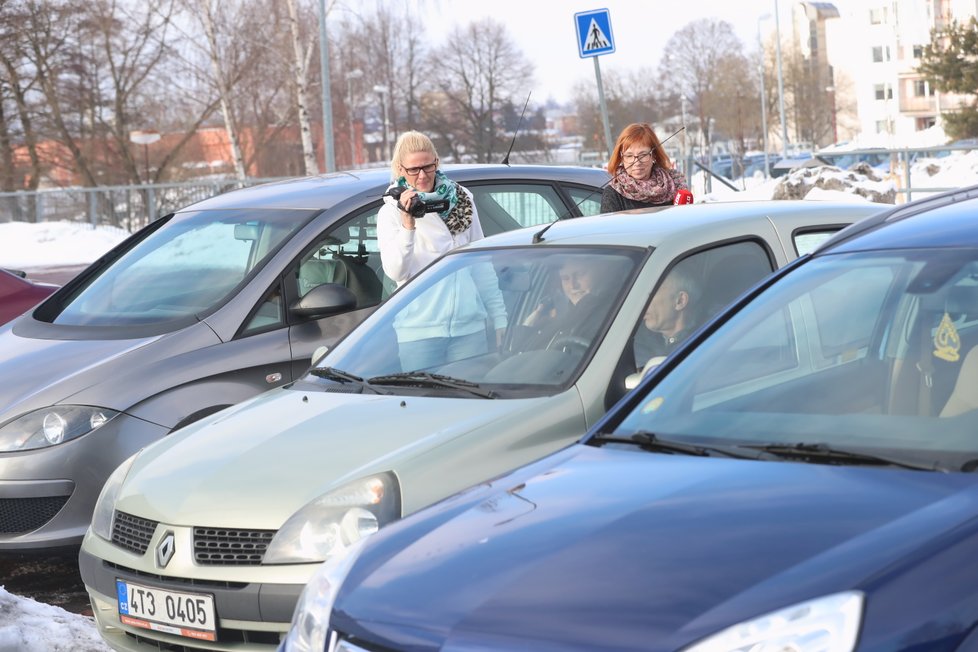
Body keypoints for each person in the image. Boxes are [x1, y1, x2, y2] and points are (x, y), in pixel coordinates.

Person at [377, 131, 506, 371]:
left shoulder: (462, 200)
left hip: (470, 327)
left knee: (470, 405)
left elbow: (480, 261)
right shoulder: (391, 212)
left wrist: (499, 316)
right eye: (414, 170)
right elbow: (396, 271)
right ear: (400, 169)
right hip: (419, 331)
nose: (423, 176)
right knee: (423, 405)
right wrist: (408, 224)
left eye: (428, 166)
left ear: (437, 162)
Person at [517, 256, 612, 351]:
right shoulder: (565, 319)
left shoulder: (611, 316)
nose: (572, 285)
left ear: (600, 272)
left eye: (580, 274)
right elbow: (520, 353)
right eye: (565, 278)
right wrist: (527, 327)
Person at [601, 123, 690, 213]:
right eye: (629, 156)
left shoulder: (674, 185)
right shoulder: (613, 194)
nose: (636, 162)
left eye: (643, 155)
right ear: (621, 158)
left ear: (654, 155)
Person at [634, 264, 702, 365]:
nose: (642, 302)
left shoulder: (704, 347)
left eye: (651, 293)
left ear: (680, 301)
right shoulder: (634, 340)